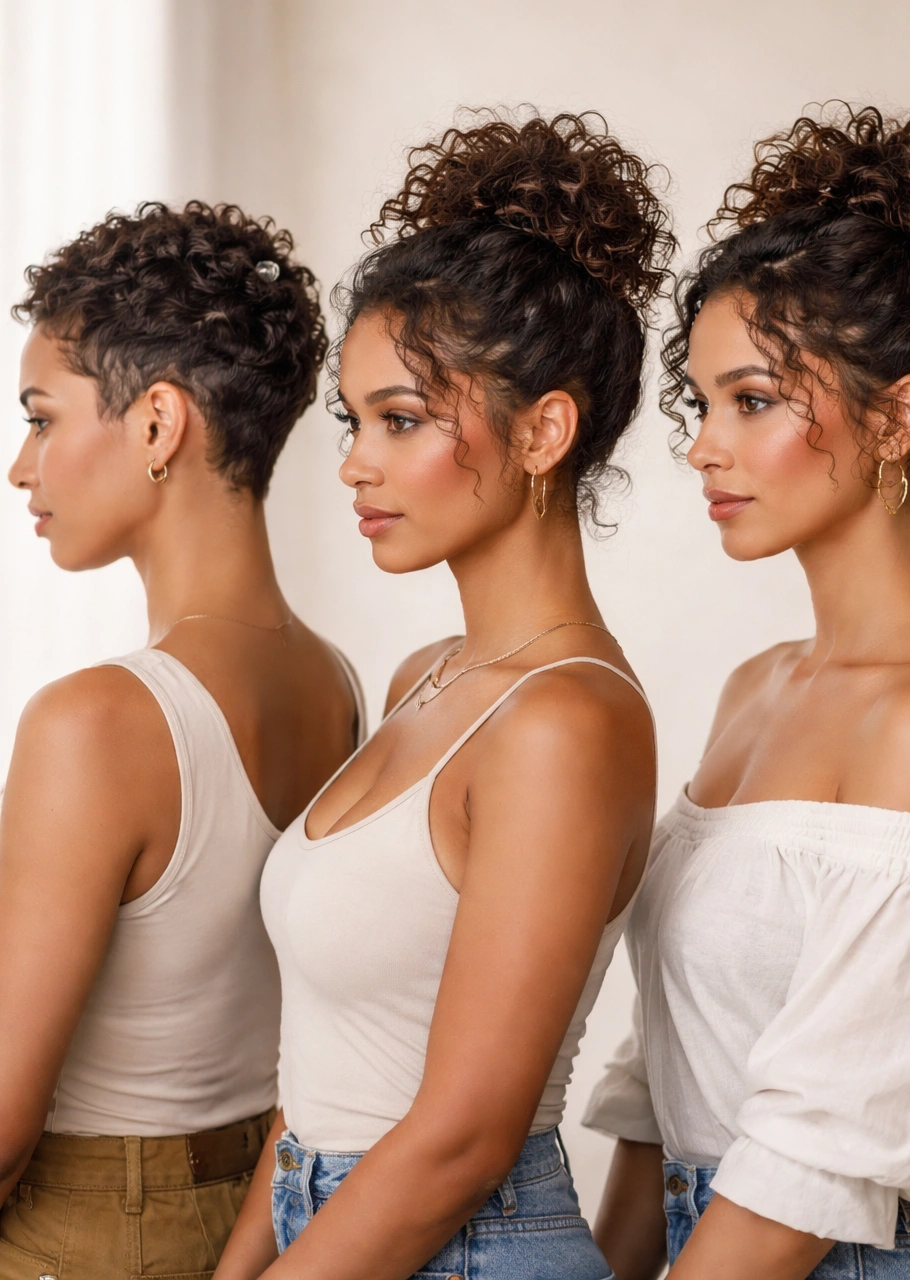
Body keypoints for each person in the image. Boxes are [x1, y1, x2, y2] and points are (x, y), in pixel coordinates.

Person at [214, 112, 665, 1280]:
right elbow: (324, 1075)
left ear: (544, 431)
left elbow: (461, 1138)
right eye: (353, 422)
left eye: (402, 421)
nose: (356, 462)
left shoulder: (568, 720)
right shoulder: (431, 677)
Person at [586, 106, 910, 1280]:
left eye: (754, 400)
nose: (702, 448)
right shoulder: (754, 689)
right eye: (702, 404)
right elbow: (666, 1071)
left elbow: (812, 1161)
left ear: (897, 416)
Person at [0, 202, 363, 1280]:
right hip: (254, 1208)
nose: (23, 468)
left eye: (41, 418)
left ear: (158, 425)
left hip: (84, 1225)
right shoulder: (331, 684)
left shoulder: (97, 721)